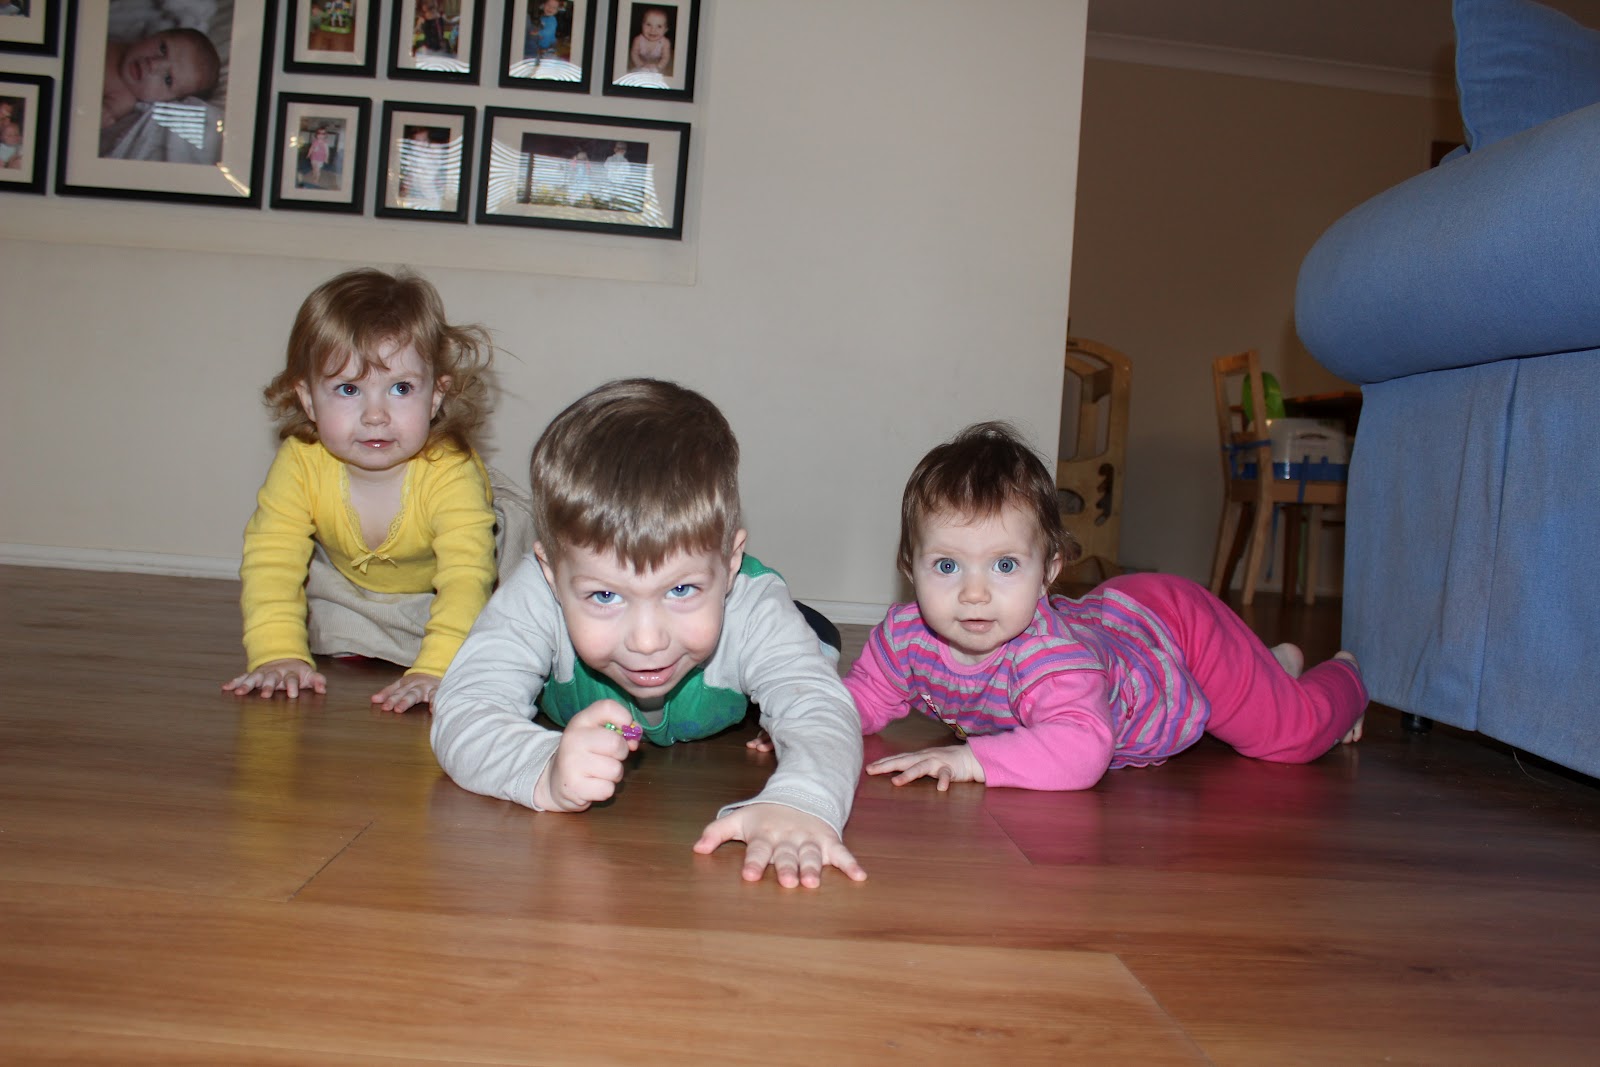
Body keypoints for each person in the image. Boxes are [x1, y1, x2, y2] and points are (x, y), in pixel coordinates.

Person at [431, 378, 868, 889]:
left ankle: (800, 641)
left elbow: (819, 707)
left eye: (681, 589)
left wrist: (801, 800)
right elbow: (466, 706)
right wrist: (544, 768)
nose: (646, 640)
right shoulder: (534, 594)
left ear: (730, 563)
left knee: (805, 652)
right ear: (551, 575)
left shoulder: (751, 609)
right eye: (604, 596)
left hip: (765, 626)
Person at [841, 421, 1367, 792]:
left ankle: (1344, 677)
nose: (973, 593)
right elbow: (863, 696)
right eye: (947, 566)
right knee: (1253, 695)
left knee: (1289, 736)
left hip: (1177, 630)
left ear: (1048, 572)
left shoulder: (1053, 662)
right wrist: (812, 719)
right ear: (909, 567)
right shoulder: (905, 636)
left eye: (1004, 565)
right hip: (1117, 622)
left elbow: (1082, 751)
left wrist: (971, 760)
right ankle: (1268, 668)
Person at [222, 268, 525, 714]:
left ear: (436, 396)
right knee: (318, 609)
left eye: (401, 388)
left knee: (513, 614)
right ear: (307, 399)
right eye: (348, 389)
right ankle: (384, 631)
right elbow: (273, 557)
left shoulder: (451, 471)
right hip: (360, 576)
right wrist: (277, 654)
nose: (375, 415)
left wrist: (437, 669)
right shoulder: (301, 462)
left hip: (480, 565)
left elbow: (465, 576)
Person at [101, 27, 221, 131]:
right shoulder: (120, 41)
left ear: (165, 102)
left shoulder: (121, 101)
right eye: (163, 49)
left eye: (168, 80)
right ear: (155, 35)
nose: (153, 65)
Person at [628, 7, 672, 73]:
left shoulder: (665, 43)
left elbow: (666, 57)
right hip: (642, 60)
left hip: (657, 61)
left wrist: (659, 67)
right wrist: (640, 65)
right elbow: (634, 54)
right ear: (642, 25)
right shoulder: (638, 40)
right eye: (648, 25)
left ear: (665, 30)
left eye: (659, 26)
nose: (653, 30)